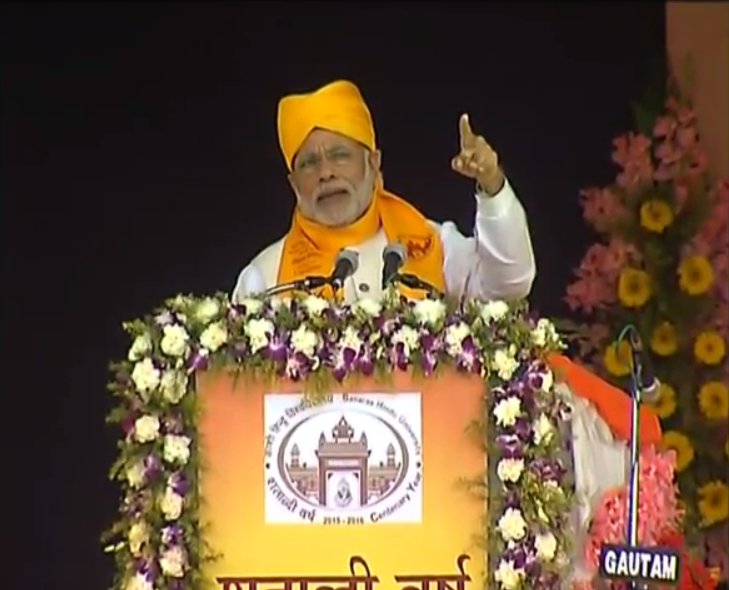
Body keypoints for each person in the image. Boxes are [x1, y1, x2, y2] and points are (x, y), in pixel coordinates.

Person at [230, 79, 536, 305]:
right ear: (293, 183)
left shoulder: (430, 244)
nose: (326, 173)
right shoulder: (263, 279)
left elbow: (510, 285)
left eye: (339, 155)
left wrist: (491, 183)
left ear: (373, 163)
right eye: (309, 163)